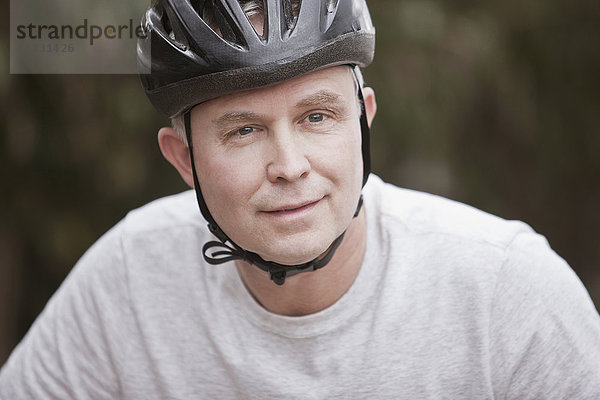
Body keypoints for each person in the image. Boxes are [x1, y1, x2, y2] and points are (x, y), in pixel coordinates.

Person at [2, 0, 600, 398]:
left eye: (317, 116)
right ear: (183, 161)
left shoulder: (508, 293)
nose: (289, 167)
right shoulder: (128, 283)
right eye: (243, 131)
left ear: (363, 123)